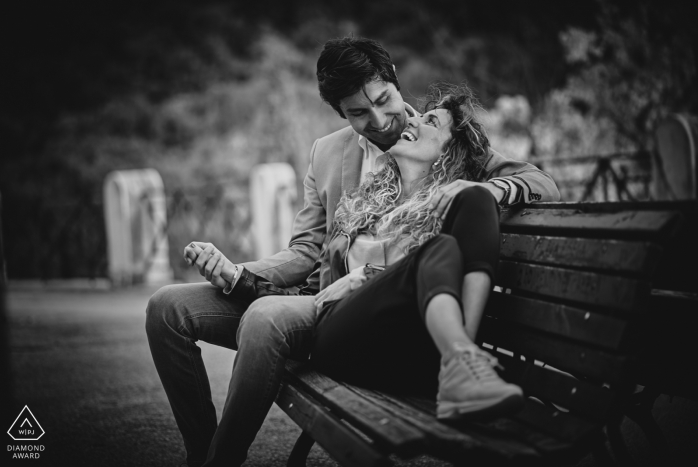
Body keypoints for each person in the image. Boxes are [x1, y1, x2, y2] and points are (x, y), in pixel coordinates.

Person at [145, 36, 560, 467]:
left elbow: (540, 183)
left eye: (384, 100)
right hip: (319, 300)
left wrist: (490, 188)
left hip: (385, 311)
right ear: (340, 112)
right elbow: (306, 250)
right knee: (166, 308)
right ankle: (201, 452)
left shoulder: (447, 138)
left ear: (396, 82)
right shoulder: (328, 153)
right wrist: (237, 272)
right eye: (359, 113)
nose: (379, 121)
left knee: (267, 316)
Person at [311, 82, 522, 418]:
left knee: (474, 203)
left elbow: (544, 183)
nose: (412, 121)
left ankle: (459, 365)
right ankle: (462, 362)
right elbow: (316, 276)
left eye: (431, 122)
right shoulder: (361, 203)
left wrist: (492, 188)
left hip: (413, 354)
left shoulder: (452, 205)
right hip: (342, 336)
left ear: (451, 150)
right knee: (440, 249)